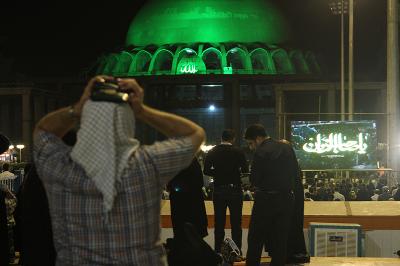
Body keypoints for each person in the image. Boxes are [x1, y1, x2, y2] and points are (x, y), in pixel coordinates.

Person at [33, 76, 205, 265]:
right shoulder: (147, 164)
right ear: (128, 122)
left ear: (86, 122)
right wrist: (141, 110)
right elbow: (194, 134)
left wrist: (77, 108)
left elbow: (43, 132)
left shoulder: (61, 169)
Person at [244, 124, 296, 266]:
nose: (250, 147)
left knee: (256, 238)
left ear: (258, 138)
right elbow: (295, 173)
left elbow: (254, 179)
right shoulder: (287, 148)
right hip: (286, 199)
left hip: (265, 199)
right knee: (281, 239)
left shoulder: (261, 152)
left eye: (250, 143)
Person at [203, 129, 248, 256]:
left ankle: (218, 251)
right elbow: (245, 169)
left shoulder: (213, 151)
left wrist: (218, 173)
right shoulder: (238, 151)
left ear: (221, 138)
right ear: (233, 139)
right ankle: (237, 252)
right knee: (236, 223)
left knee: (219, 222)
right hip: (235, 189)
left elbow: (206, 171)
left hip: (219, 189)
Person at [166, 157, 210, 266]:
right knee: (194, 239)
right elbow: (199, 182)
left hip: (178, 206)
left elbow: (169, 183)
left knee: (181, 238)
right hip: (194, 207)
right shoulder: (193, 162)